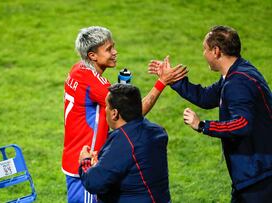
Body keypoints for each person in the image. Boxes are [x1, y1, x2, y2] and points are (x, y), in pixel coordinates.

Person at [63, 26, 186, 203]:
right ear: (92, 56)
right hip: (87, 160)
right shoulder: (94, 83)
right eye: (108, 49)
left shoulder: (78, 70)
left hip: (74, 152)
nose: (115, 52)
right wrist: (161, 82)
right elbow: (132, 113)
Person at [150, 25, 272, 202]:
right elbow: (206, 97)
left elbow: (242, 123)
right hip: (253, 174)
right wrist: (172, 80)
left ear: (216, 51)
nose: (203, 54)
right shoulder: (237, 72)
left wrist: (202, 125)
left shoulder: (238, 83)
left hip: (259, 177)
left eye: (204, 49)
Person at [78, 84, 170, 203]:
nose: (105, 110)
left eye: (107, 106)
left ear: (114, 113)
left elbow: (94, 183)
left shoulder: (124, 142)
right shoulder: (157, 131)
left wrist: (85, 162)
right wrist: (101, 162)